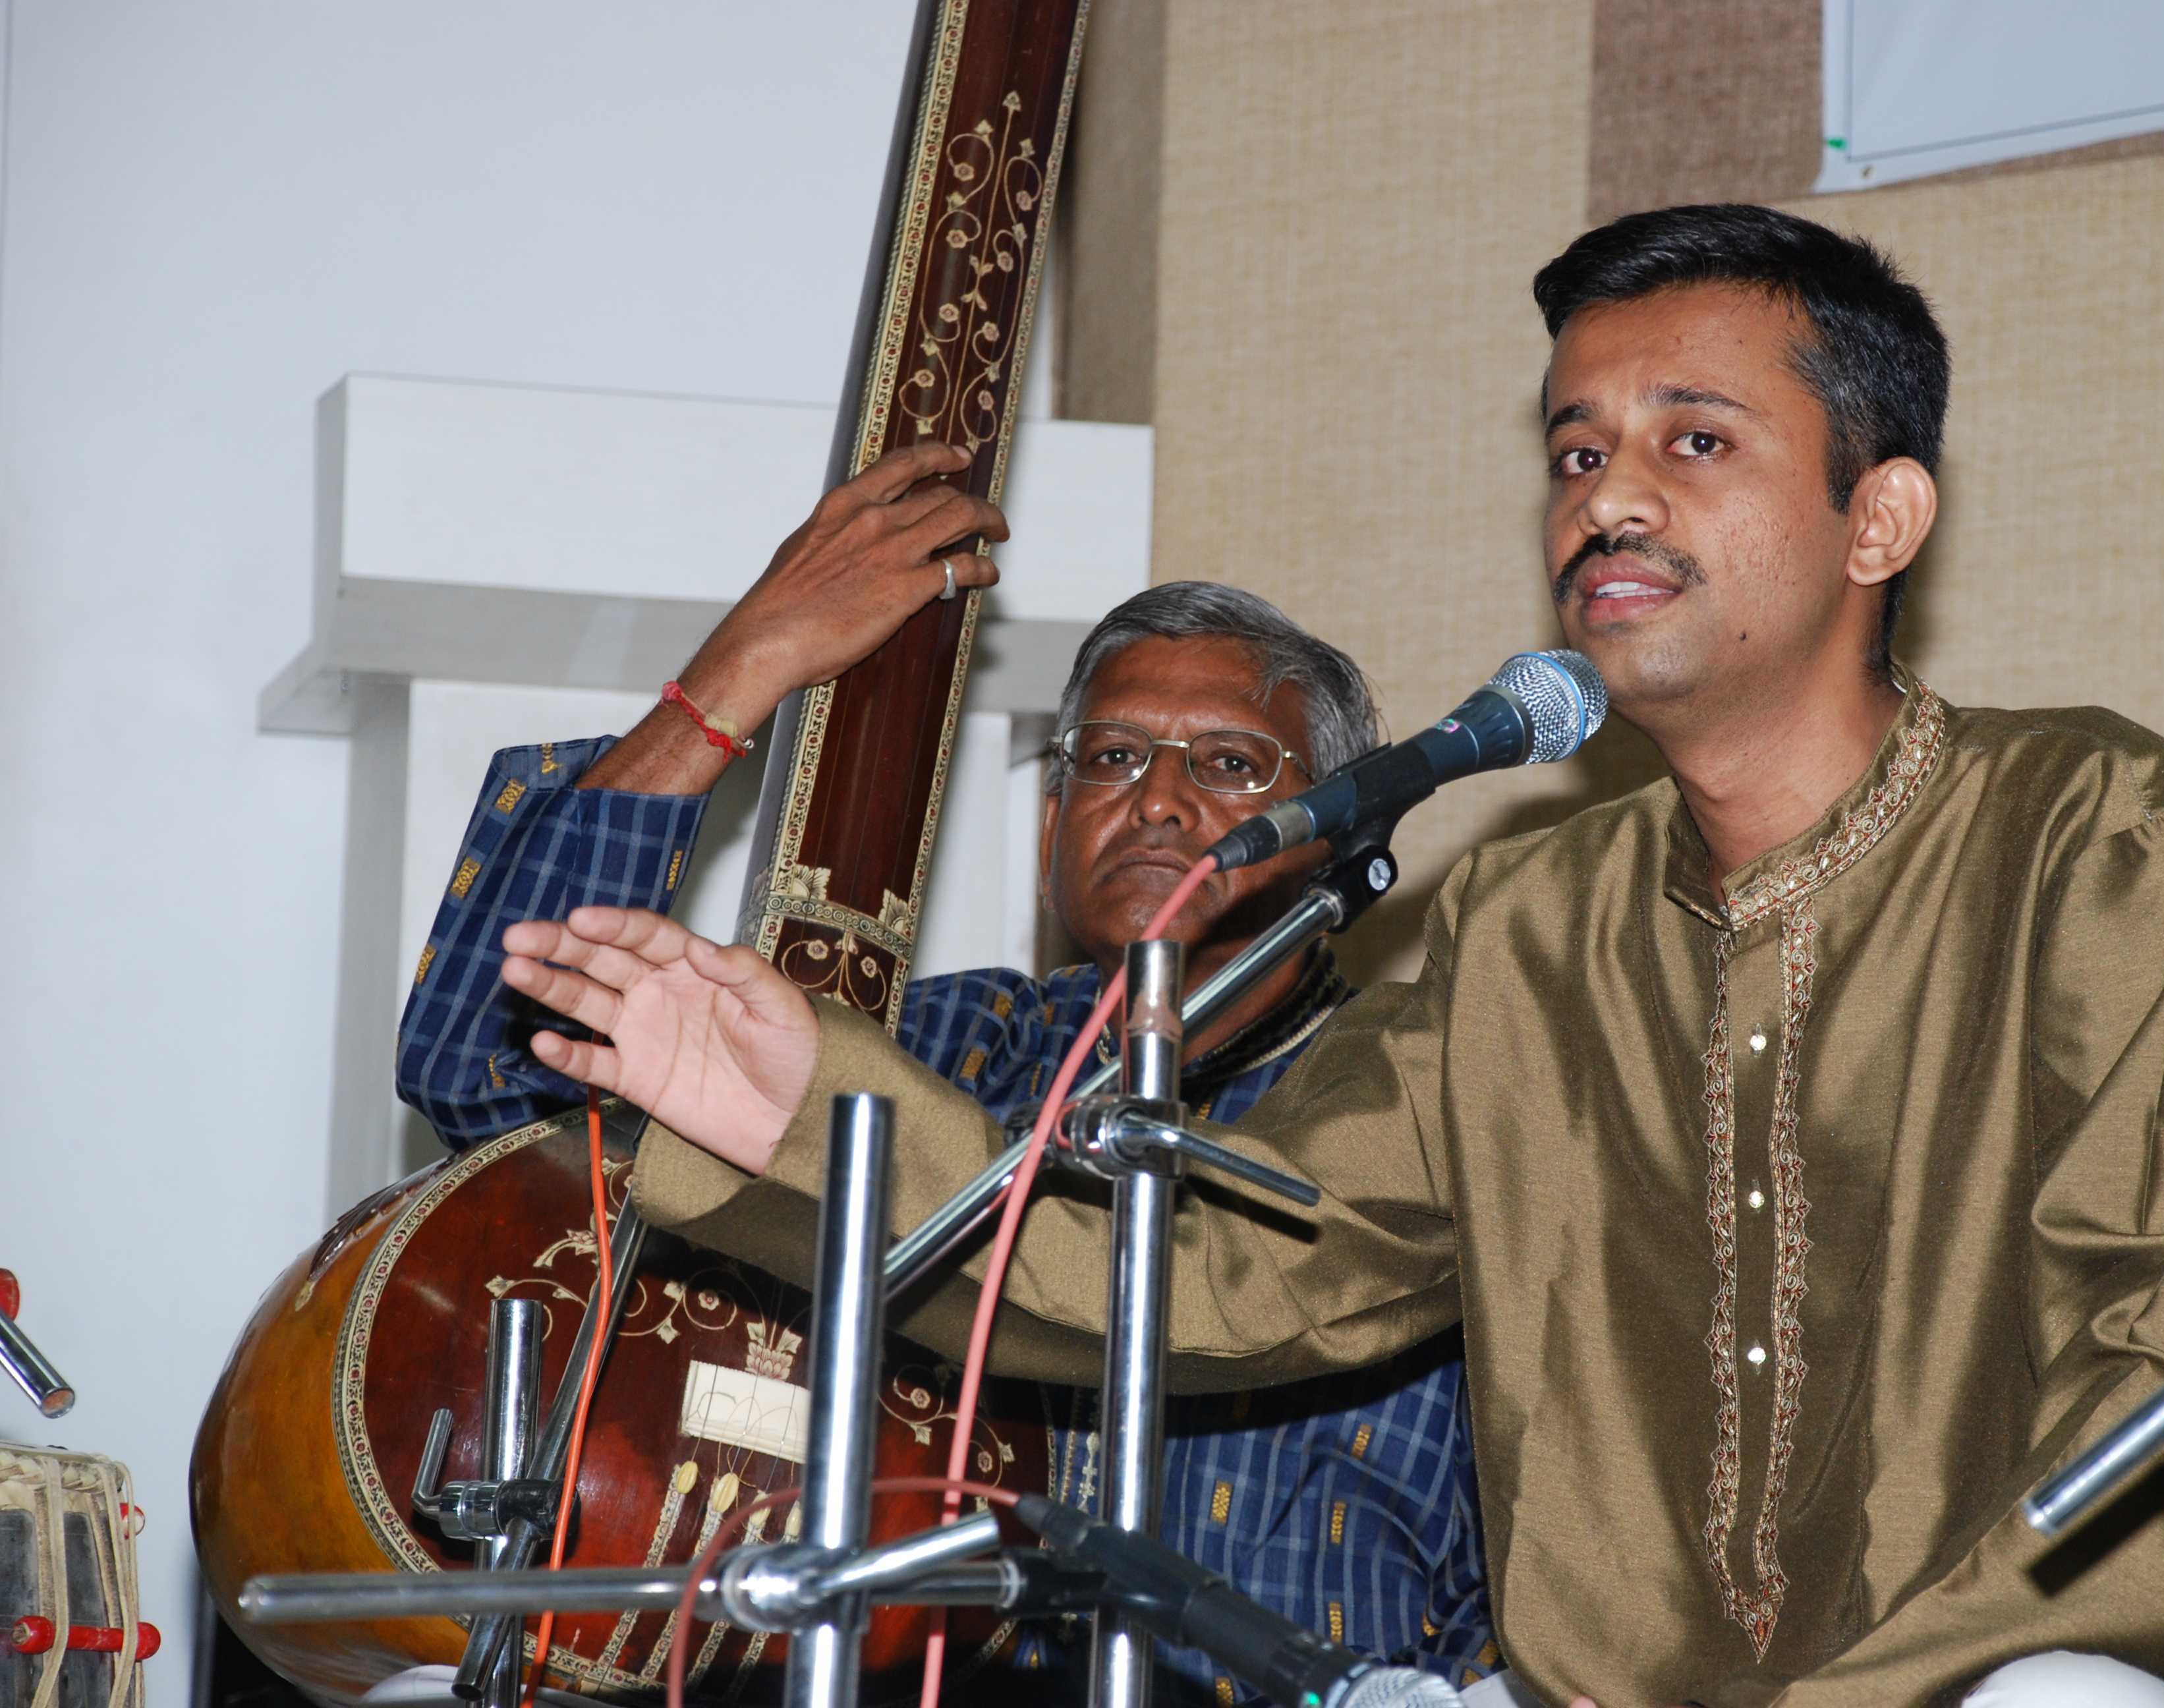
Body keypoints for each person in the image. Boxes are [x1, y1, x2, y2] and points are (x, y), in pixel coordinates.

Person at [497, 206, 2164, 1706]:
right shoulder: (1517, 922)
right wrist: (807, 1115)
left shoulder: (2091, 825)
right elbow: (1223, 1270)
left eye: (1694, 441)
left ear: (1880, 514)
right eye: (1578, 448)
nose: (1608, 496)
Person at [393, 461, 1500, 1703]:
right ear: (1049, 833)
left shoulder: (1422, 1108)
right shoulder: (946, 1051)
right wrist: (745, 665)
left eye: (1235, 765)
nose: (1163, 802)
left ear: (1342, 844)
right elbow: (487, 1077)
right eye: (1113, 756)